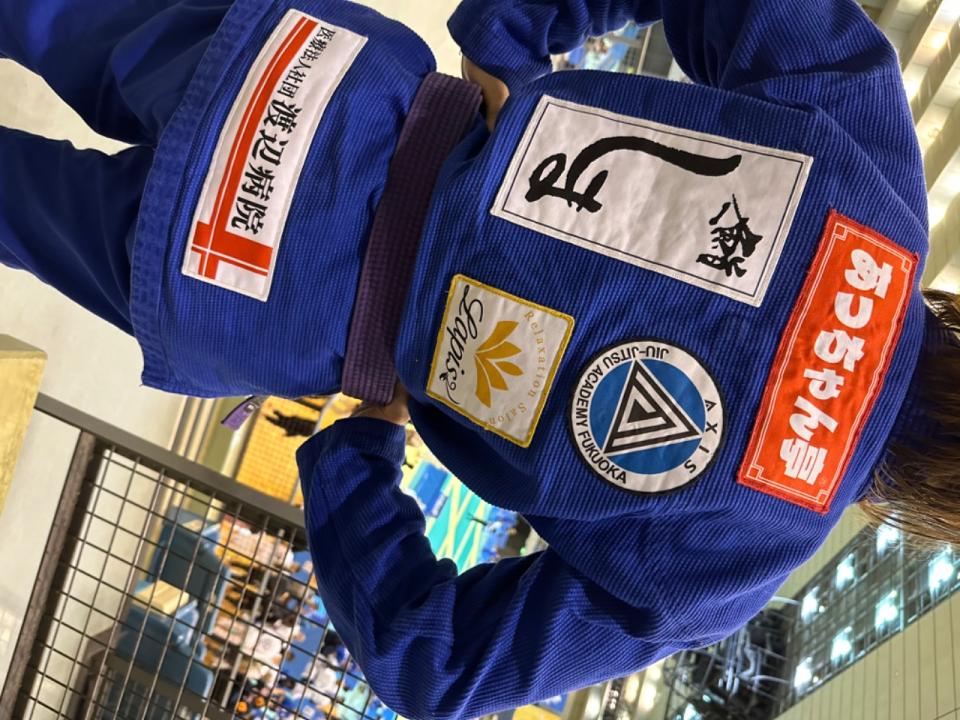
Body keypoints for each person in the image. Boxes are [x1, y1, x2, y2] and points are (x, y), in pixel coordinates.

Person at [0, 1, 951, 719]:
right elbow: (438, 663)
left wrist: (514, 28)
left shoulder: (876, 176)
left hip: (337, 94)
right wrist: (359, 453)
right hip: (264, 296)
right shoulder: (737, 558)